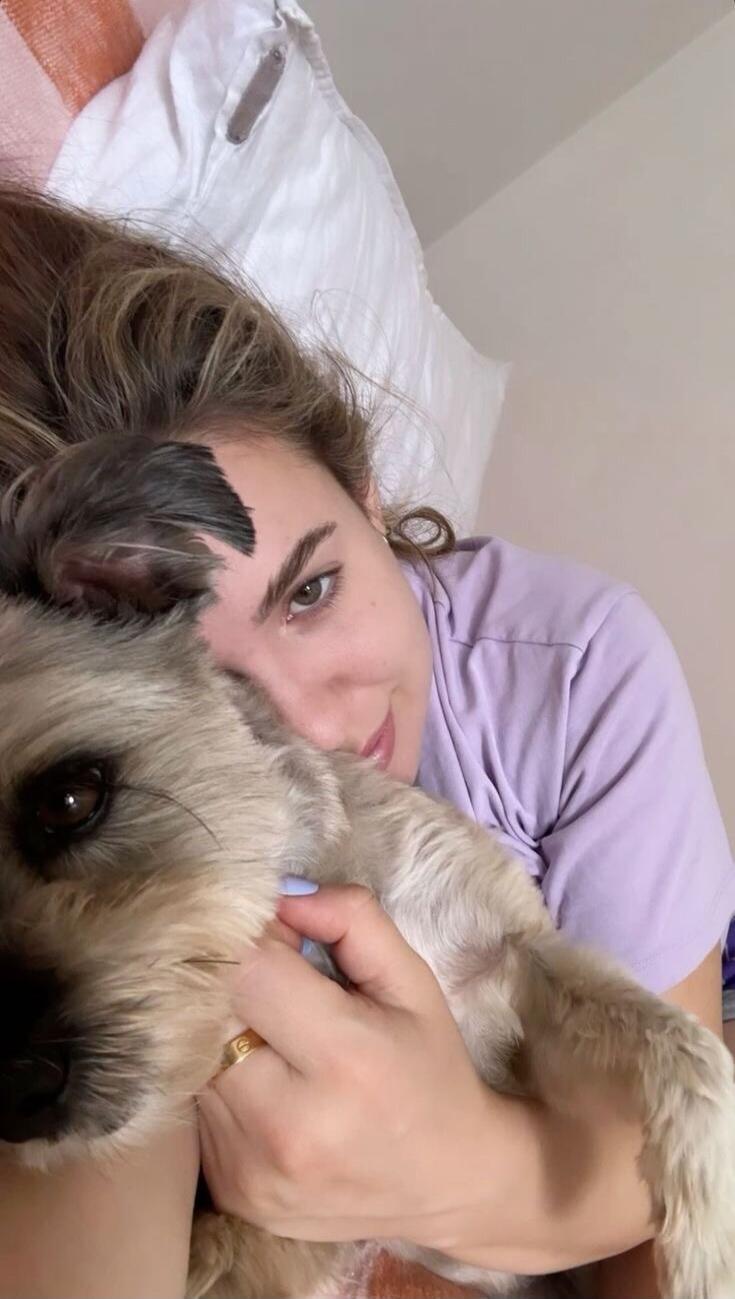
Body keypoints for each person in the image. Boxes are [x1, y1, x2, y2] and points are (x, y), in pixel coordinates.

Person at [0, 185, 732, 1299]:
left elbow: (668, 1183)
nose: (311, 727)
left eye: (315, 589)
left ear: (370, 494)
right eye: (215, 688)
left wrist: (453, 1172)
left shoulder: (572, 668)